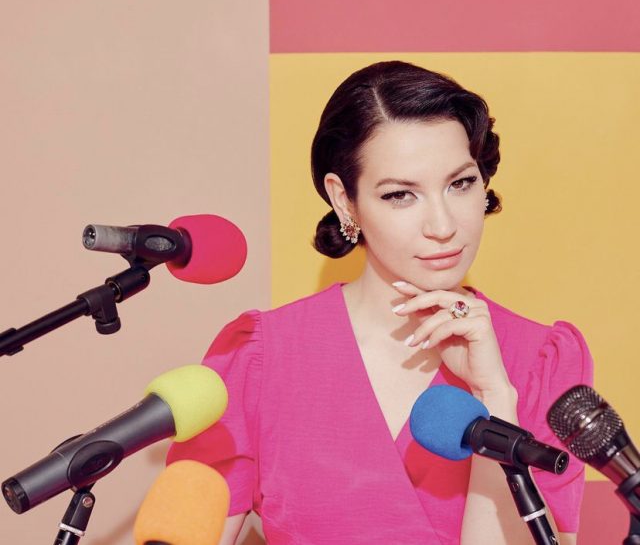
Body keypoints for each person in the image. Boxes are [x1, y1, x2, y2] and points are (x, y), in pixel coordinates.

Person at [168, 61, 593, 544]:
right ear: (344, 200)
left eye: (460, 183)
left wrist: (494, 397)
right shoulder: (261, 359)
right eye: (400, 195)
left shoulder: (542, 361)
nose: (443, 226)